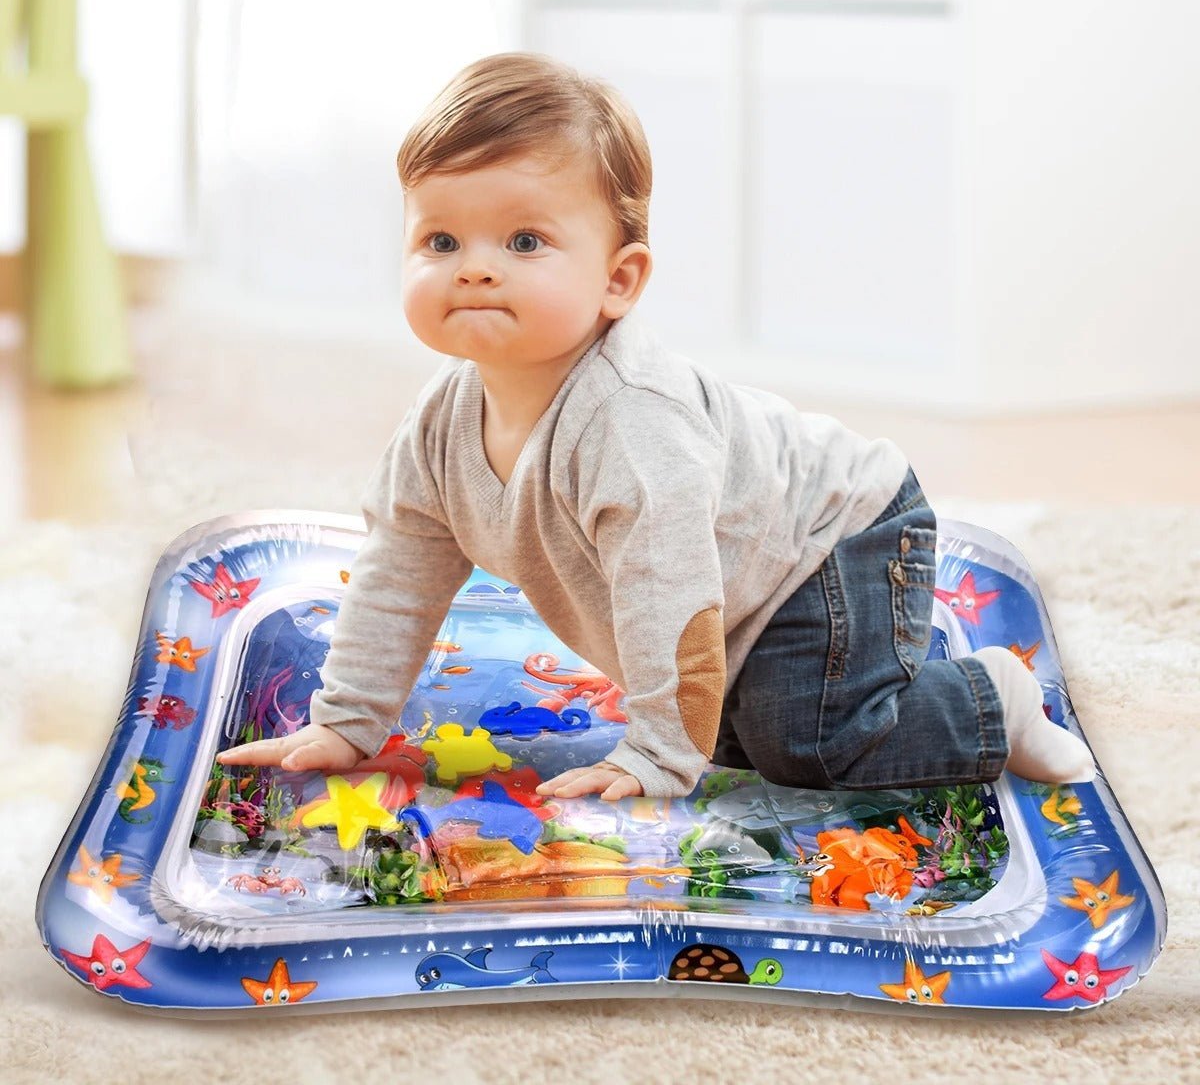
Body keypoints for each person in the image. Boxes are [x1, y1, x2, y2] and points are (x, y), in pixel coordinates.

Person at [216, 52, 1097, 801]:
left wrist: (654, 755)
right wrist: (347, 722)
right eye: (441, 242)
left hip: (835, 537)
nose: (475, 270)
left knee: (809, 744)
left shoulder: (631, 426)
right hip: (736, 574)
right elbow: (399, 571)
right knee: (725, 732)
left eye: (523, 242)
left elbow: (667, 596)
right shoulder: (441, 426)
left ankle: (992, 698)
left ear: (619, 281)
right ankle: (765, 706)